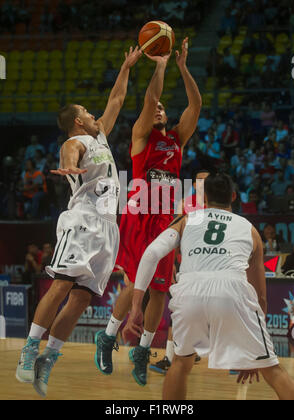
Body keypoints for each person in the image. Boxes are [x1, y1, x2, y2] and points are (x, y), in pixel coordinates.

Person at [15, 46, 142, 398]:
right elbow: (69, 153)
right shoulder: (76, 140)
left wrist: (126, 66)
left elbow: (116, 99)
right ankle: (29, 349)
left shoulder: (99, 135)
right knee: (59, 287)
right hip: (83, 220)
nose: (92, 113)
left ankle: (49, 358)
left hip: (108, 228)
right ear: (78, 121)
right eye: (87, 111)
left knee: (82, 298)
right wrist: (69, 165)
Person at [123, 173, 294, 400]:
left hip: (189, 292)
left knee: (180, 364)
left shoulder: (186, 219)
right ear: (234, 196)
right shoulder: (250, 229)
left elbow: (150, 255)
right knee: (273, 371)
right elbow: (260, 296)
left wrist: (137, 306)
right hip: (232, 291)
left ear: (204, 196)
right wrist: (254, 346)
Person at [94, 37, 202, 386]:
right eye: (155, 109)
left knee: (160, 291)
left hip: (166, 217)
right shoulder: (141, 135)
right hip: (141, 213)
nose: (158, 110)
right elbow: (151, 99)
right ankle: (109, 334)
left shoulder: (176, 139)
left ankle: (142, 350)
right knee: (133, 282)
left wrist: (183, 69)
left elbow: (196, 105)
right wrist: (160, 64)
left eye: (162, 111)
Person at [150, 169, 210, 374]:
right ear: (194, 184)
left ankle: (190, 351)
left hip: (209, 266)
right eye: (199, 180)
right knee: (180, 311)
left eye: (206, 181)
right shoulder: (185, 203)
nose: (202, 184)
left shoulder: (217, 205)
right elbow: (173, 232)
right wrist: (172, 263)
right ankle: (169, 356)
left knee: (197, 311)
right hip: (186, 265)